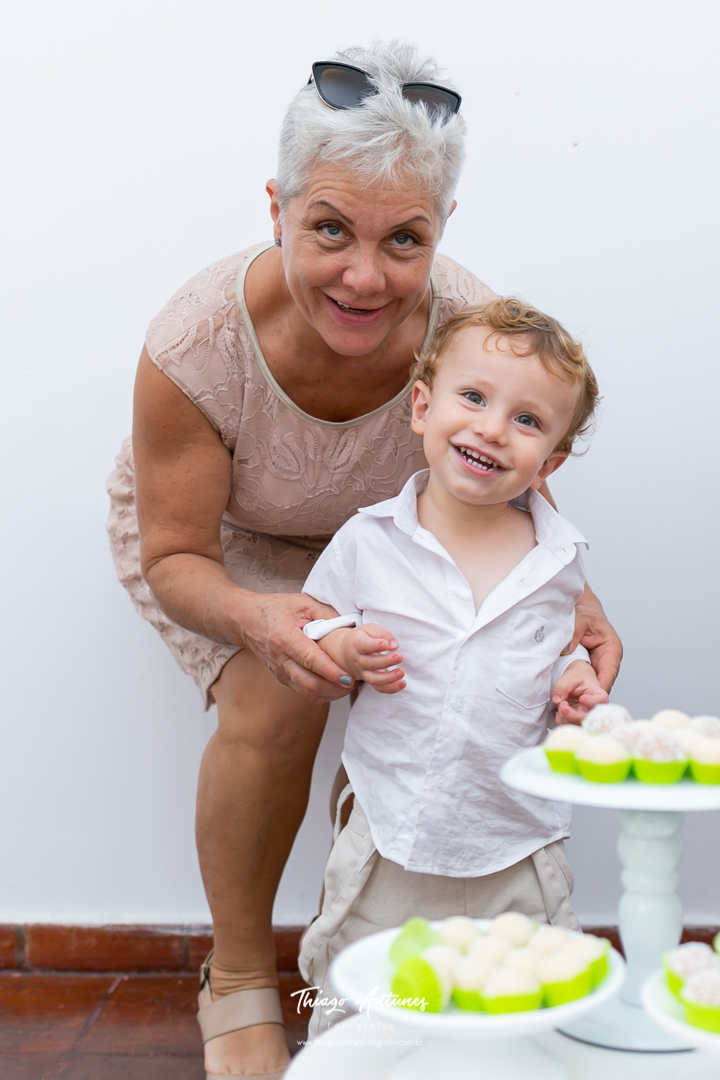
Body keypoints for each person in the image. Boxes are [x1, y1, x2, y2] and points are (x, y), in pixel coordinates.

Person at [106, 42, 622, 1079]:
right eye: (330, 229)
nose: (365, 274)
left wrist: (580, 610)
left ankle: (393, 952)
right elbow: (173, 551)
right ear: (277, 207)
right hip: (228, 543)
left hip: (406, 533)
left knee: (446, 688)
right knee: (277, 696)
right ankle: (246, 978)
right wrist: (265, 619)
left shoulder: (468, 324)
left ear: (443, 233)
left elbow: (517, 491)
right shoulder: (192, 346)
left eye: (405, 241)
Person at [298, 299, 608, 1036]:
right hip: (393, 830)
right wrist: (344, 649)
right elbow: (314, 623)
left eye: (528, 421)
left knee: (526, 1006)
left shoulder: (558, 560)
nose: (493, 429)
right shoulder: (369, 540)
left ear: (552, 460)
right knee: (365, 1001)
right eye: (474, 398)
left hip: (513, 841)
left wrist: (571, 678)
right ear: (422, 407)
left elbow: (552, 644)